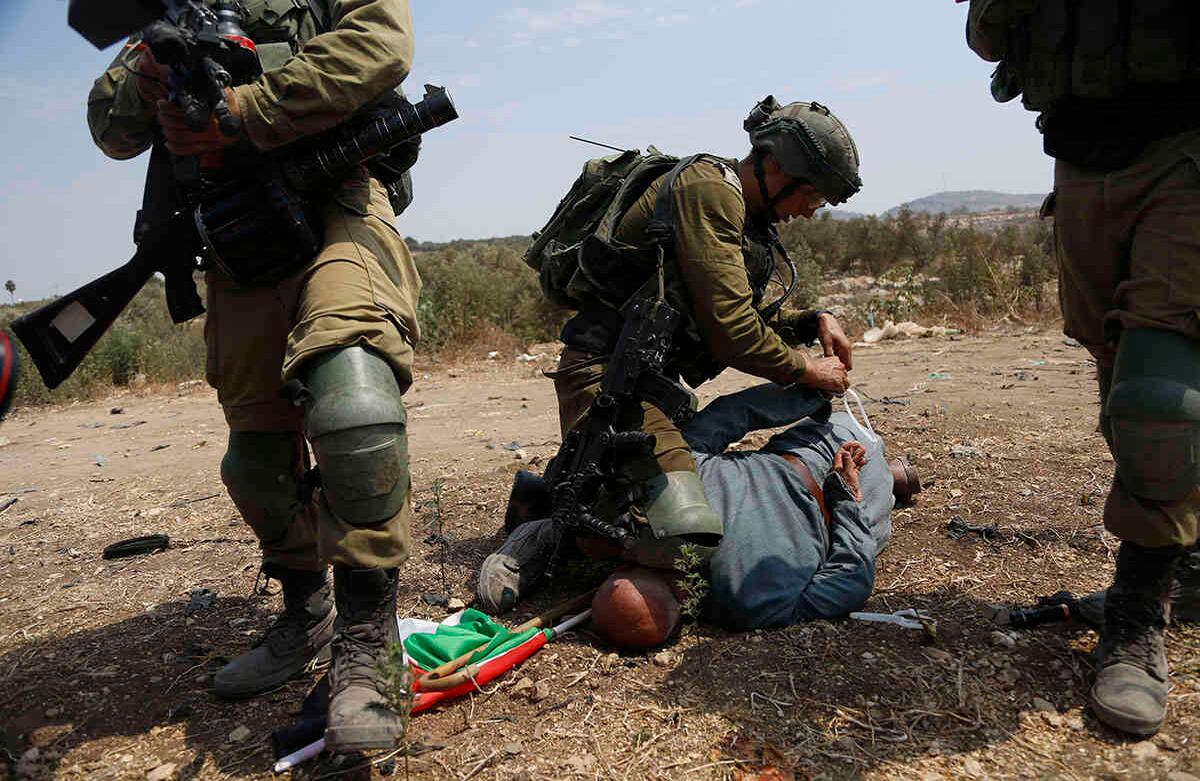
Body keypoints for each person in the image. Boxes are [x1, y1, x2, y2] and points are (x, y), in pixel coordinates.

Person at [87, 0, 421, 751]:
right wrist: (147, 79)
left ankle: (369, 642)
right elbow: (109, 128)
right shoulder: (172, 10)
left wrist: (247, 106)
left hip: (337, 192)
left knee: (354, 401)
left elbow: (382, 44)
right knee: (257, 462)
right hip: (235, 225)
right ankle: (307, 609)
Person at [480, 98, 864, 613]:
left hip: (650, 387)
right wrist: (809, 371)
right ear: (775, 166)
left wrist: (813, 320)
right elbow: (732, 333)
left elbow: (737, 310)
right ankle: (548, 528)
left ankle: (564, 498)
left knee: (677, 518)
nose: (810, 210)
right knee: (687, 541)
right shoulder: (708, 191)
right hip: (606, 381)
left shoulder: (744, 216)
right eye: (812, 194)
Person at [965, 0, 1200, 736]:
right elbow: (985, 37)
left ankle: (1137, 611)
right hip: (1079, 154)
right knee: (1120, 380)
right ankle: (1185, 563)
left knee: (1158, 394)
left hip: (1185, 144)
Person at [481, 383, 913, 644]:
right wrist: (844, 490)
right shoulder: (672, 490)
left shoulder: (746, 603)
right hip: (830, 455)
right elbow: (852, 575)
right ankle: (893, 478)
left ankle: (894, 478)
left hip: (818, 458)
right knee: (872, 487)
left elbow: (850, 580)